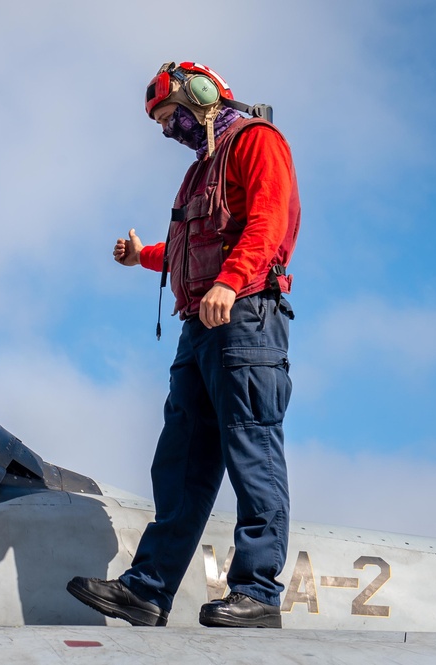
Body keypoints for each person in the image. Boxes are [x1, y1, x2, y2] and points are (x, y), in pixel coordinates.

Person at [67, 61, 300, 629]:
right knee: (180, 464)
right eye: (161, 124)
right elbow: (188, 245)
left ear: (201, 96)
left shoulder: (256, 142)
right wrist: (141, 258)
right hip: (199, 327)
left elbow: (268, 222)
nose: (169, 131)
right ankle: (147, 591)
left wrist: (229, 281)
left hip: (244, 317)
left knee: (252, 452)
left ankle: (258, 594)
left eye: (170, 117)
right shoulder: (200, 171)